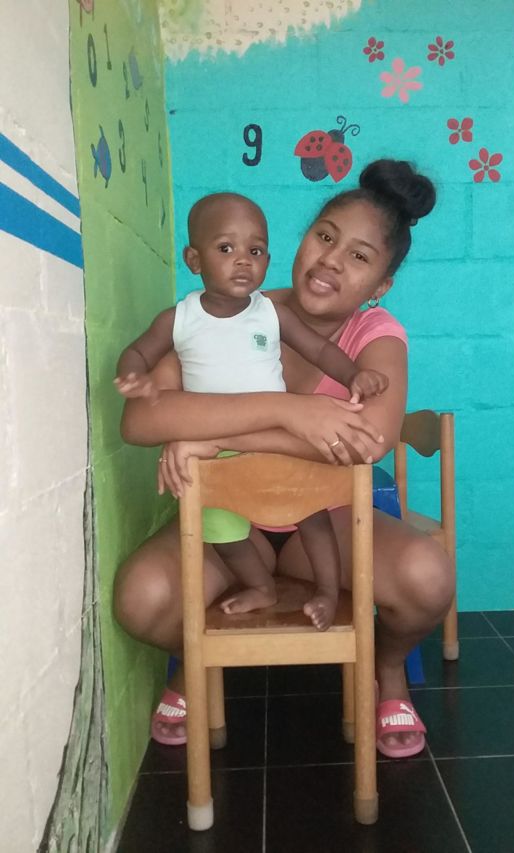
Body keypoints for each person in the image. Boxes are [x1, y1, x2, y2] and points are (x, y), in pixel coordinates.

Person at [114, 159, 454, 757]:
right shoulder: (231, 305)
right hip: (225, 523)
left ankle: (387, 668)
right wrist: (289, 411)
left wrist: (212, 434)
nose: (330, 260)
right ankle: (196, 662)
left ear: (380, 286)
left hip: (319, 525)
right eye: (325, 236)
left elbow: (369, 440)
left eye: (359, 256)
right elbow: (141, 419)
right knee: (139, 599)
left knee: (429, 577)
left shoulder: (374, 334)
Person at [114, 192, 388, 632]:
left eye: (255, 251)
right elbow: (138, 352)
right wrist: (133, 375)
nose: (243, 260)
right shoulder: (179, 320)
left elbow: (320, 350)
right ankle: (261, 586)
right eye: (226, 248)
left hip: (277, 447)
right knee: (220, 529)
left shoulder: (270, 314)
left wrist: (355, 374)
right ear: (194, 260)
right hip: (217, 462)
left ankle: (327, 591)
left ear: (267, 260)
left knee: (313, 514)